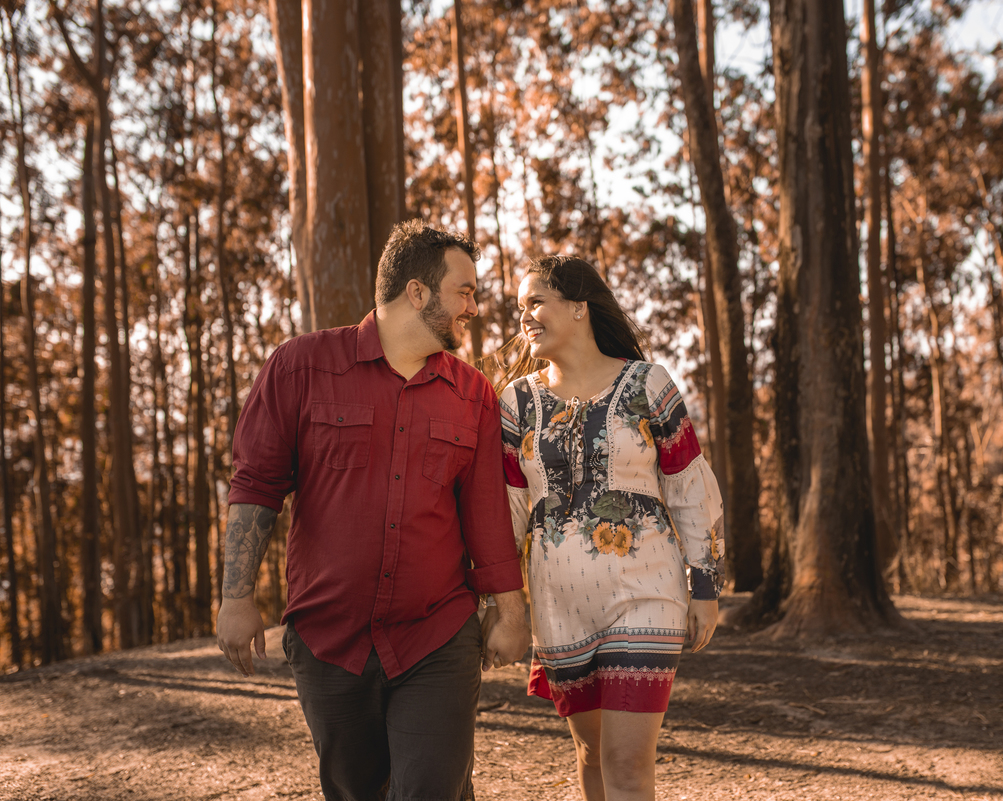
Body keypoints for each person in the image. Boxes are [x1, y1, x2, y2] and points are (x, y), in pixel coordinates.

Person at [215, 221, 531, 801]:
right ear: (417, 292)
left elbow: (486, 518)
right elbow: (256, 486)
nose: (474, 307)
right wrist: (237, 597)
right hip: (329, 641)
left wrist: (511, 612)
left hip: (437, 635)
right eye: (463, 291)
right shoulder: (300, 367)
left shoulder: (474, 394)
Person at [496, 256, 725, 801]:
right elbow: (508, 508)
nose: (523, 316)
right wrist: (501, 604)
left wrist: (706, 586)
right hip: (559, 606)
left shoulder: (649, 385)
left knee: (626, 762)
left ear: (579, 307)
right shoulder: (516, 403)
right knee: (591, 756)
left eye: (535, 301)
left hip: (646, 596)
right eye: (518, 307)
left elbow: (691, 488)